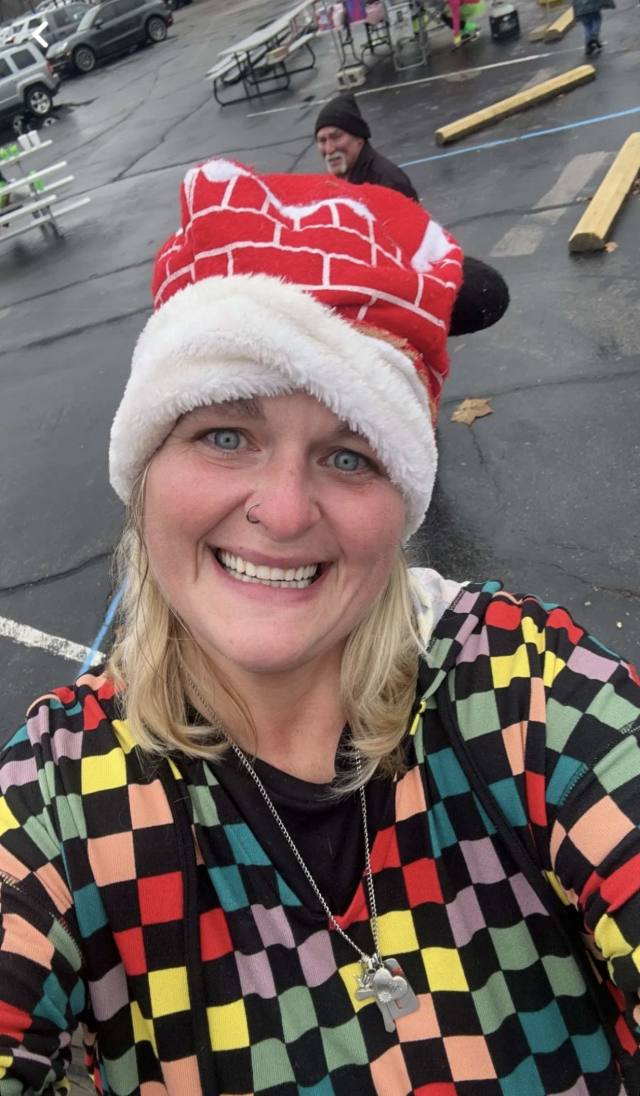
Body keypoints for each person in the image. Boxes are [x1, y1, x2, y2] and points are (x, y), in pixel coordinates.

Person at [1, 158, 639, 1095]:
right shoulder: (59, 801)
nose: (286, 511)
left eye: (349, 455)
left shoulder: (516, 688)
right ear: (144, 470)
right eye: (226, 435)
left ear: (403, 500)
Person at [314, 92, 510, 336]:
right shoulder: (346, 177)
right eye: (322, 140)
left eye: (336, 137)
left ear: (359, 138)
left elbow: (406, 252)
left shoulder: (386, 183)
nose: (329, 148)